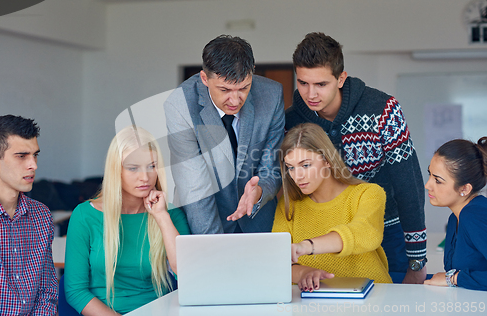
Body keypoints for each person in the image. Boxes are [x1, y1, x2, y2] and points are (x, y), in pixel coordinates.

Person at [285, 32, 427, 283]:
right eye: (303, 83)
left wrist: (417, 260)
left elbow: (409, 184)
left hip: (386, 230)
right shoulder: (291, 120)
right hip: (320, 237)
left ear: (341, 79)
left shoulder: (382, 109)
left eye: (321, 84)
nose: (311, 94)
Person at [164, 35, 285, 234]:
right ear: (205, 78)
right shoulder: (180, 105)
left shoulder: (271, 96)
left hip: (259, 222)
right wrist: (214, 247)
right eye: (225, 89)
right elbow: (195, 188)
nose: (235, 100)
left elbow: (271, 168)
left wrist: (260, 191)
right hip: (204, 221)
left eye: (244, 88)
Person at [64, 126, 191, 315]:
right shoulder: (84, 215)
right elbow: (75, 291)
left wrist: (161, 217)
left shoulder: (170, 214)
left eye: (152, 166)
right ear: (116, 170)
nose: (145, 177)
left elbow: (187, 275)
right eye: (133, 168)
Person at [272, 123, 392, 292]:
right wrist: (304, 272)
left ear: (327, 160)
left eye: (305, 165)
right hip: (314, 305)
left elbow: (365, 233)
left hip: (374, 299)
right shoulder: (289, 204)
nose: (297, 176)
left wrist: (306, 247)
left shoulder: (368, 193)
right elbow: (277, 261)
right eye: (291, 168)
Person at [0, 115, 58, 315]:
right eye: (21, 156)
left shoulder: (41, 215)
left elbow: (47, 290)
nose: (33, 165)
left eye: (35, 155)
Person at [424, 137, 487, 291]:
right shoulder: (455, 218)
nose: (428, 185)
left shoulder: (474, 216)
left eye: (438, 180)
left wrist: (453, 279)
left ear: (464, 189)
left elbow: (453, 276)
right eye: (430, 174)